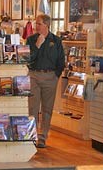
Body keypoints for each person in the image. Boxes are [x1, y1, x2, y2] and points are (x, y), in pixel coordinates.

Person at [26, 14, 65, 148]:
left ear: (46, 25)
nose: (36, 26)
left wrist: (56, 76)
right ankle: (32, 136)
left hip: (50, 77)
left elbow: (61, 61)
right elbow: (27, 59)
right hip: (34, 76)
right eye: (36, 24)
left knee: (47, 109)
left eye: (39, 24)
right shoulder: (31, 40)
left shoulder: (56, 41)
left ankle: (42, 137)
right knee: (33, 108)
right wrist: (37, 46)